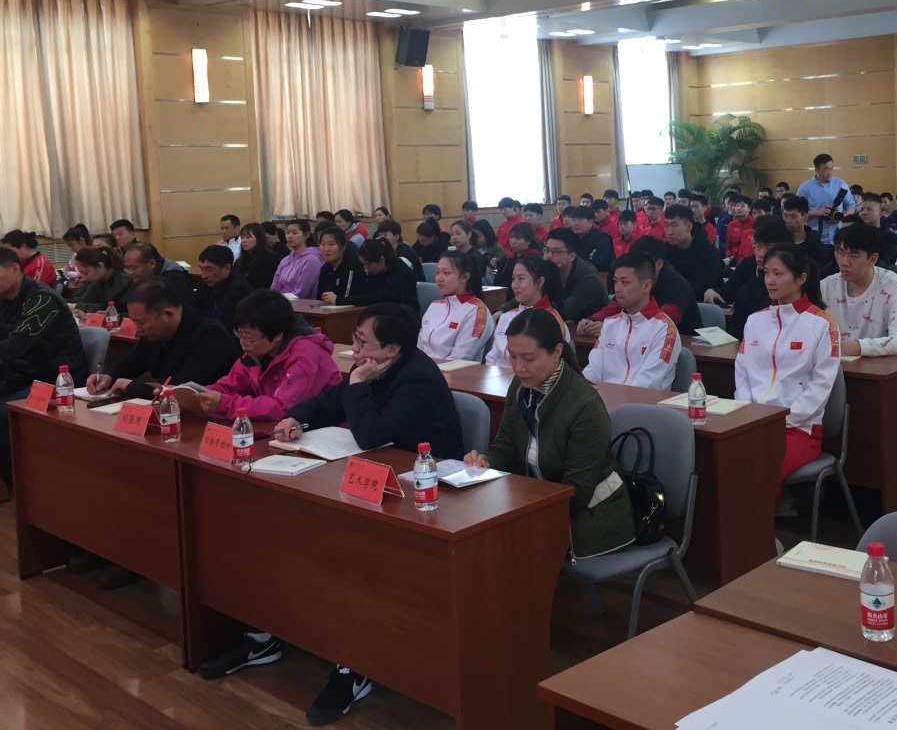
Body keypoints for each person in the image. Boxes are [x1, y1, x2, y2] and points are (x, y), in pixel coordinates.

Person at [233, 304, 462, 723]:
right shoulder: (374, 366)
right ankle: (265, 631)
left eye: (361, 341)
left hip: (422, 497)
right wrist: (296, 417)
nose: (353, 348)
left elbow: (372, 433)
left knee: (347, 555)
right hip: (376, 481)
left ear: (392, 349)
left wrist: (356, 383)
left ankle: (354, 664)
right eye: (354, 338)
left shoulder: (418, 378)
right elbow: (328, 402)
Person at [464, 308, 634, 563]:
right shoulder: (520, 387)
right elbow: (505, 448)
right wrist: (486, 463)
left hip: (591, 517)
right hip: (538, 503)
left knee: (498, 542)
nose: (518, 367)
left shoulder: (585, 406)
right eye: (512, 356)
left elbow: (575, 494)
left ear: (556, 352)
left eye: (528, 358)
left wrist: (520, 509)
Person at [734, 243, 839, 506]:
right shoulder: (755, 320)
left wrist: (779, 420)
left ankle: (761, 528)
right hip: (752, 421)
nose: (770, 280)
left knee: (761, 464)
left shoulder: (822, 324)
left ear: (801, 278)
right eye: (767, 273)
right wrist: (748, 413)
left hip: (798, 428)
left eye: (778, 273)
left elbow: (821, 385)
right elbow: (742, 371)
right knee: (723, 457)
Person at [0, 248, 86, 488]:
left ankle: (16, 482)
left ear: (15, 269)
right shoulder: (3, 298)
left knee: (2, 412)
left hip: (54, 381)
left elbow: (13, 348)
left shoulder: (41, 299)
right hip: (19, 375)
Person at [191, 289, 342, 422]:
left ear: (277, 335)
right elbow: (228, 386)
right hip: (282, 428)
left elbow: (283, 407)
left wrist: (226, 404)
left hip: (322, 429)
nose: (243, 343)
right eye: (240, 334)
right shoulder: (256, 353)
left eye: (249, 337)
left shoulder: (306, 355)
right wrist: (194, 394)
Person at [87, 278, 238, 401]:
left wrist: (132, 386)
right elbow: (134, 360)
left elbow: (183, 387)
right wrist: (109, 375)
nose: (138, 329)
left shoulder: (211, 335)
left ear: (168, 314)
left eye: (141, 322)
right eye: (134, 321)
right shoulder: (155, 331)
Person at [821, 223, 897, 361]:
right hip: (848, 365)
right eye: (840, 252)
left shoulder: (896, 287)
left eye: (854, 255)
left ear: (873, 259)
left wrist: (838, 347)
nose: (844, 262)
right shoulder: (826, 286)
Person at [581, 253, 681, 390]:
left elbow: (647, 384)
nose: (617, 289)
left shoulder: (664, 329)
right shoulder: (609, 324)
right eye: (615, 281)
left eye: (625, 282)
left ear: (646, 285)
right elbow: (591, 373)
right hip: (603, 399)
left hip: (644, 402)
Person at [582, 235, 700, 335]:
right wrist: (591, 321)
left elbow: (660, 325)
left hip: (682, 344)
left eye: (640, 264)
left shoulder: (677, 285)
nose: (635, 267)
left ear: (659, 264)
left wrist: (610, 328)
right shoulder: (632, 278)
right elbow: (614, 308)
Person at [488, 256, 568, 370]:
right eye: (513, 279)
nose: (515, 285)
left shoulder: (552, 321)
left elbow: (550, 366)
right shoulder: (506, 317)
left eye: (521, 279)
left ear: (540, 282)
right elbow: (491, 359)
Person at [417, 251, 492, 361]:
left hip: (454, 370)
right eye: (437, 272)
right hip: (424, 368)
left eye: (446, 273)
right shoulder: (434, 306)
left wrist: (427, 369)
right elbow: (419, 347)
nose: (439, 278)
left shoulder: (477, 311)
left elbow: (461, 358)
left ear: (465, 277)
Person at [542, 229, 608, 322]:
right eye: (546, 250)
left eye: (556, 252)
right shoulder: (545, 269)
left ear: (572, 256)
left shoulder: (589, 279)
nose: (548, 256)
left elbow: (561, 313)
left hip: (592, 326)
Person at [333, 238, 418, 309]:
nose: (365, 268)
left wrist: (339, 300)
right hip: (382, 314)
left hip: (404, 317)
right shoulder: (375, 272)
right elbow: (366, 294)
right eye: (363, 264)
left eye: (368, 264)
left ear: (381, 260)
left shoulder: (400, 273)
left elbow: (379, 298)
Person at [663, 203, 722, 301]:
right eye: (666, 225)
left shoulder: (710, 253)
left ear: (689, 226)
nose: (669, 232)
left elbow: (703, 286)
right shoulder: (664, 250)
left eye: (674, 225)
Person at [796, 154, 853, 244]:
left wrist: (842, 217)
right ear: (816, 169)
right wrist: (816, 212)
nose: (829, 172)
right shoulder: (805, 188)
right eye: (826, 169)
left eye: (831, 168)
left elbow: (851, 206)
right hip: (816, 237)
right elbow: (797, 212)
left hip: (839, 236)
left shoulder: (840, 184)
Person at [192, 245, 253, 329]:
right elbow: (192, 305)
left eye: (209, 270)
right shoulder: (211, 283)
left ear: (226, 268)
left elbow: (220, 320)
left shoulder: (239, 289)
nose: (203, 275)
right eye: (202, 269)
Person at [122, 242, 195, 304]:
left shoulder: (175, 279)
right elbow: (125, 302)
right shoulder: (140, 276)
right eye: (127, 268)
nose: (130, 272)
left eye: (133, 267)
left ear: (152, 264)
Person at [271, 219, 323, 299]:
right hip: (281, 302)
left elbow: (301, 292)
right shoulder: (285, 260)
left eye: (294, 233)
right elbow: (275, 286)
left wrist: (279, 299)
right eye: (287, 232)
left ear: (306, 235)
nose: (289, 236)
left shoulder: (311, 260)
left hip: (301, 304)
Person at [70, 247, 131, 315]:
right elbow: (85, 300)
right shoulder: (100, 281)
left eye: (85, 273)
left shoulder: (123, 282)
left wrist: (77, 306)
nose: (84, 278)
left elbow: (109, 307)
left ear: (100, 266)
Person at [316, 224, 367, 304]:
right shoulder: (325, 268)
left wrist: (336, 299)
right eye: (323, 244)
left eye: (331, 244)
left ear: (343, 246)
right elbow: (319, 297)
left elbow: (347, 301)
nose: (326, 249)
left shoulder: (352, 267)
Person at [781, 195, 831, 273]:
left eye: (793, 216)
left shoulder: (817, 246)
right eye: (785, 216)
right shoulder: (779, 242)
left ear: (805, 217)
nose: (788, 220)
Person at [494, 221, 543, 289]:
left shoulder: (534, 260)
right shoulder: (506, 259)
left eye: (517, 238)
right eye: (511, 237)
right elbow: (497, 282)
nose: (513, 242)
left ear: (528, 241)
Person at [855, 194, 897, 267]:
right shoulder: (854, 234)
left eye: (869, 209)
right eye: (861, 210)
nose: (864, 213)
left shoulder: (890, 237)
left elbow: (886, 261)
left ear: (880, 214)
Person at [234, 222, 282, 289]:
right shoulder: (240, 261)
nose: (244, 241)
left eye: (248, 237)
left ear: (258, 238)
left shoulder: (269, 258)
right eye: (242, 237)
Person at [569, 206, 615, 274]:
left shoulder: (601, 238)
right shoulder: (571, 237)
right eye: (573, 220)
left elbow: (594, 262)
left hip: (600, 276)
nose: (576, 223)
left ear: (591, 222)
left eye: (580, 219)